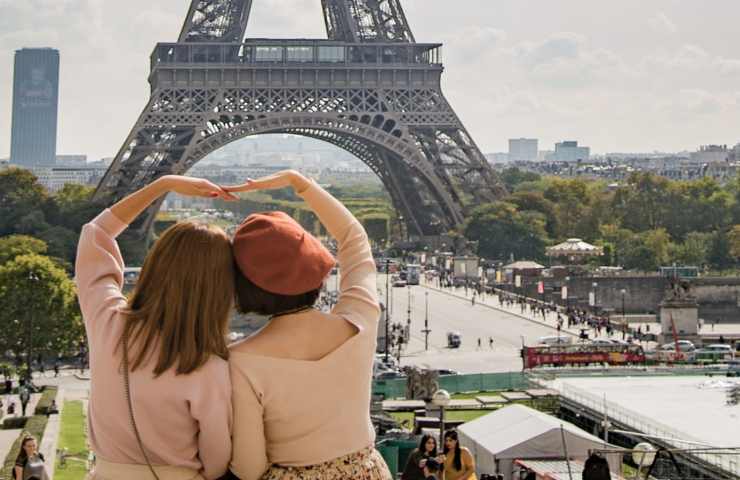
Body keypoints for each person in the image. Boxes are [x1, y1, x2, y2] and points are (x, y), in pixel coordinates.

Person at [226, 170, 392, 480]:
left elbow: (249, 469)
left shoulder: (241, 362)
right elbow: (354, 237)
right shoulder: (359, 321)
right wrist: (300, 182)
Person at [75, 175, 238, 480]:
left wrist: (161, 185)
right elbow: (217, 462)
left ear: (155, 264)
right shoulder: (208, 366)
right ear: (221, 289)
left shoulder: (106, 321)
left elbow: (96, 232)